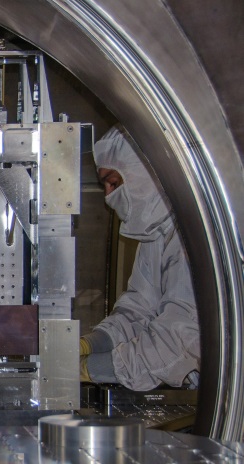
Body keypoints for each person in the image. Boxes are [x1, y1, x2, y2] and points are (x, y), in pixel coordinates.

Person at [79, 126, 200, 391]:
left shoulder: (195, 239)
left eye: (114, 182)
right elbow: (139, 311)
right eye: (105, 186)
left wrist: (89, 369)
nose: (108, 196)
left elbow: (177, 345)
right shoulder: (158, 234)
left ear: (142, 173)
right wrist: (91, 343)